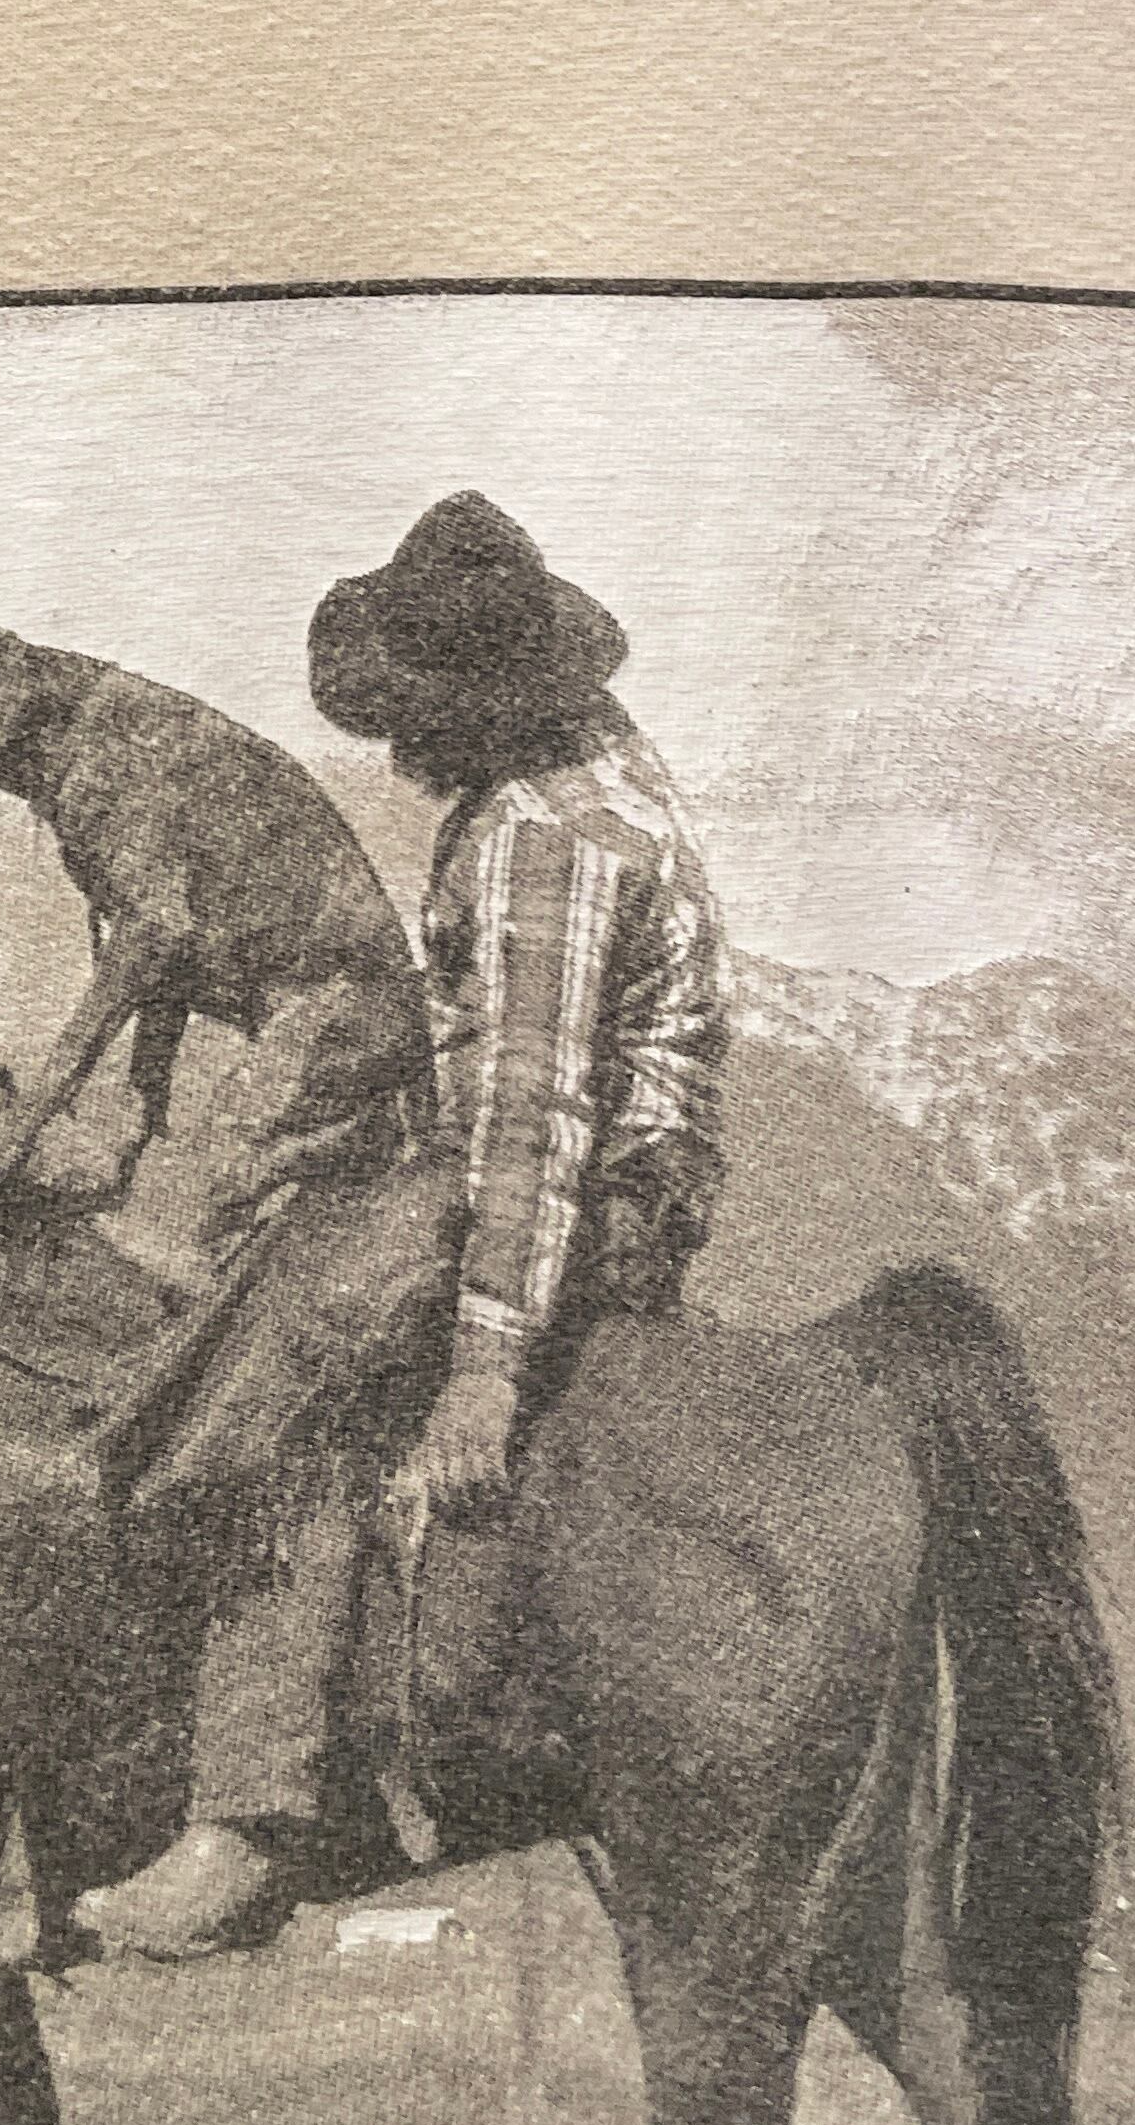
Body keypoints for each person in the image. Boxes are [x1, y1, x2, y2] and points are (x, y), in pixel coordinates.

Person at [78, 490, 729, 1960]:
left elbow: (531, 1114)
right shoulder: (601, 762)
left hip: (590, 1199)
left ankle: (245, 1816)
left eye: (414, 714)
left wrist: (485, 1370)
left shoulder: (539, 840)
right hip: (627, 1179)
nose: (394, 749)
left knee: (283, 1381)